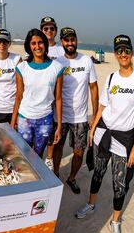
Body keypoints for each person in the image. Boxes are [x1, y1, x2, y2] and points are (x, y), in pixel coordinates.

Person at [75, 35, 134, 233]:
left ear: (131, 53)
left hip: (124, 139)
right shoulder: (110, 78)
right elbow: (103, 105)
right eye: (119, 51)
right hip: (103, 132)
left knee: (120, 182)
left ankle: (115, 221)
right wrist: (93, 128)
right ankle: (91, 205)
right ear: (115, 55)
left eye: (126, 50)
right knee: (98, 173)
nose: (123, 54)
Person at [52, 27, 99, 193]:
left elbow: (93, 88)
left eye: (73, 39)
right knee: (57, 148)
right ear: (62, 42)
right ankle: (55, 174)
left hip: (80, 117)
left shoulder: (86, 61)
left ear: (76, 40)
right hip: (60, 116)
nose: (70, 43)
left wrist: (95, 114)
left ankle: (72, 178)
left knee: (79, 152)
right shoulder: (57, 62)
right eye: (66, 40)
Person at [10, 29, 63, 158]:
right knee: (23, 155)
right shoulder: (22, 68)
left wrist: (59, 126)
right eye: (33, 43)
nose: (37, 46)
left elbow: (58, 99)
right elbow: (19, 95)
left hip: (45, 120)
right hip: (24, 119)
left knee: (37, 156)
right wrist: (12, 122)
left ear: (45, 44)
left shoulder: (57, 68)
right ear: (29, 46)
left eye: (40, 42)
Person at [40, 16, 65, 171]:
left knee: (51, 131)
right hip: (42, 97)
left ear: (55, 30)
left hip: (57, 96)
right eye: (45, 28)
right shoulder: (38, 46)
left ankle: (49, 160)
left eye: (52, 28)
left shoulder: (62, 50)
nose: (49, 31)